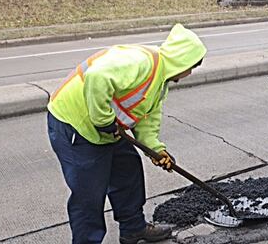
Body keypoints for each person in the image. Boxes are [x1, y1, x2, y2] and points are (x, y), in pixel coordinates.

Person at [46, 24, 207, 244]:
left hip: (107, 130)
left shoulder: (160, 82)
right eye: (191, 68)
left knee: (128, 173)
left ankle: (133, 228)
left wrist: (156, 150)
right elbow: (96, 76)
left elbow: (147, 119)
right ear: (183, 61)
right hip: (76, 125)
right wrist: (103, 121)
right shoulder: (141, 63)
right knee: (89, 195)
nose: (189, 73)